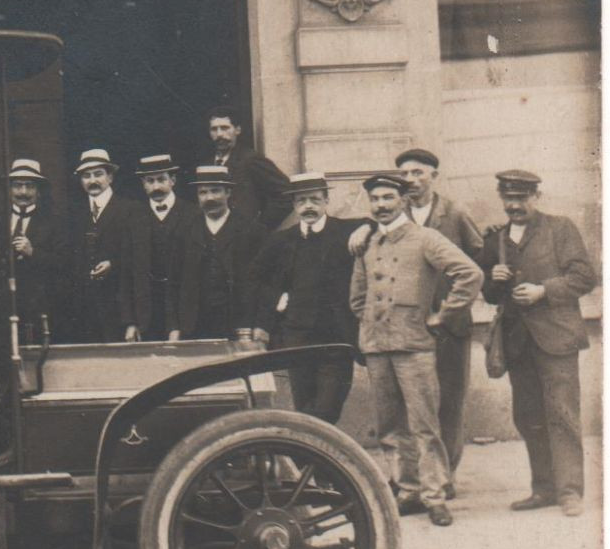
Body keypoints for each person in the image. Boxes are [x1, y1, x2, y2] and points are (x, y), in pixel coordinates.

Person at [349, 174, 482, 527]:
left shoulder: (426, 238)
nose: (381, 205)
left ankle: (434, 494)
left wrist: (441, 316)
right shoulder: (367, 243)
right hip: (377, 346)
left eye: (388, 198)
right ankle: (408, 490)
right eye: (375, 199)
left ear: (403, 201)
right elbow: (357, 296)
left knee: (425, 424)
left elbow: (469, 273)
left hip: (414, 346)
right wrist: (369, 323)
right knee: (390, 426)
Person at [478, 170, 598, 517]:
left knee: (562, 413)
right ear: (501, 198)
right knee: (528, 416)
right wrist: (493, 280)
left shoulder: (561, 229)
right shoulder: (495, 239)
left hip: (557, 338)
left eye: (522, 198)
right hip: (517, 343)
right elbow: (488, 293)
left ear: (536, 197)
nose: (514, 205)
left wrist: (544, 290)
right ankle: (543, 489)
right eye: (508, 198)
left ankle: (570, 491)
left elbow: (584, 277)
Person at [253, 173, 363, 423]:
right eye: (302, 201)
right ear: (294, 205)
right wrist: (277, 300)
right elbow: (255, 278)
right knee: (304, 409)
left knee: (327, 410)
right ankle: (310, 461)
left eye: (314, 199)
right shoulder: (282, 240)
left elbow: (377, 223)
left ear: (326, 201)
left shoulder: (345, 231)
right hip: (298, 340)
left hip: (337, 341)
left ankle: (311, 458)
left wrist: (366, 228)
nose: (309, 206)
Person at [166, 165, 266, 341]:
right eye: (203, 193)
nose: (209, 198)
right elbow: (174, 282)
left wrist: (260, 324)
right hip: (194, 324)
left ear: (228, 192)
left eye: (215, 191)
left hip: (237, 322)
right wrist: (174, 327)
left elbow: (264, 282)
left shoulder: (250, 230)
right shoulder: (184, 231)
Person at [65, 149, 149, 342]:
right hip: (84, 313)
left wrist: (114, 264)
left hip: (119, 310)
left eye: (98, 174)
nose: (92, 180)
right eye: (86, 176)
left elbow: (139, 262)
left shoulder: (130, 209)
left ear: (110, 177)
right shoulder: (75, 214)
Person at [0, 158, 69, 345]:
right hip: (5, 309)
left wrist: (33, 252)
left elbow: (65, 263)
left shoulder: (54, 222)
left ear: (38, 191)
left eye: (29, 186)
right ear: (9, 190)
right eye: (17, 186)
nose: (23, 192)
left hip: (41, 307)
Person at [133, 154, 198, 344]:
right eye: (150, 181)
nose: (156, 187)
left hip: (182, 305)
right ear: (143, 184)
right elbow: (128, 272)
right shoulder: (135, 216)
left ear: (173, 180)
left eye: (161, 179)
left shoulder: (193, 213)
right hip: (147, 307)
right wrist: (131, 321)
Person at [206, 106, 292, 228]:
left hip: (243, 237)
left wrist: (260, 227)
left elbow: (287, 194)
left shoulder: (250, 159)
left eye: (225, 128)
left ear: (237, 130)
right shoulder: (207, 163)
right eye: (214, 129)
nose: (219, 134)